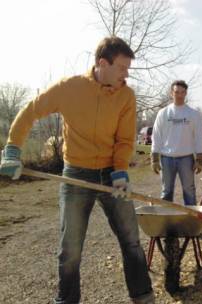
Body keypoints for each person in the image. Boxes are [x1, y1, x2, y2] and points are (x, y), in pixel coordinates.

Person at [0, 37, 154, 304]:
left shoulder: (126, 96)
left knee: (131, 240)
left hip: (111, 174)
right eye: (122, 68)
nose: (126, 75)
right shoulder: (69, 88)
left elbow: (126, 140)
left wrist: (120, 171)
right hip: (75, 174)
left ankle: (144, 298)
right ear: (102, 64)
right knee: (69, 250)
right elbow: (31, 111)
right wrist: (13, 148)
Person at [150, 80, 202, 206]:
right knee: (166, 191)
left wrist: (200, 159)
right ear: (171, 93)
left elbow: (199, 137)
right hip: (166, 159)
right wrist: (154, 158)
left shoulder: (193, 114)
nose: (179, 95)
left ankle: (191, 218)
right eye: (176, 92)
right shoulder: (163, 113)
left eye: (182, 92)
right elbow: (156, 136)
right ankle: (165, 218)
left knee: (189, 191)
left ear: (186, 93)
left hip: (186, 159)